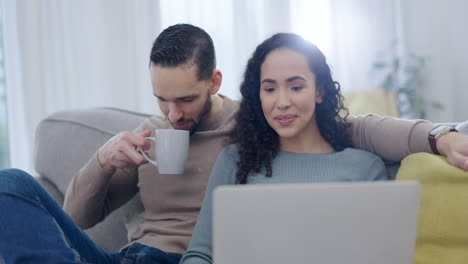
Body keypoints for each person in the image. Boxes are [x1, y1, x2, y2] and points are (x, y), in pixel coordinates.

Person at [0, 23, 467, 264]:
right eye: (162, 100)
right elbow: (74, 223)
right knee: (10, 184)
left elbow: (355, 127)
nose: (173, 115)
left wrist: (437, 135)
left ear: (216, 82)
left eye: (185, 99)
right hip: (127, 256)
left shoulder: (257, 127)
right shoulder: (150, 135)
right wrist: (102, 162)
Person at [179, 32, 390, 263]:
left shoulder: (364, 168)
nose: (282, 103)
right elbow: (200, 254)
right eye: (269, 89)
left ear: (319, 91)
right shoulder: (235, 160)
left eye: (296, 87)